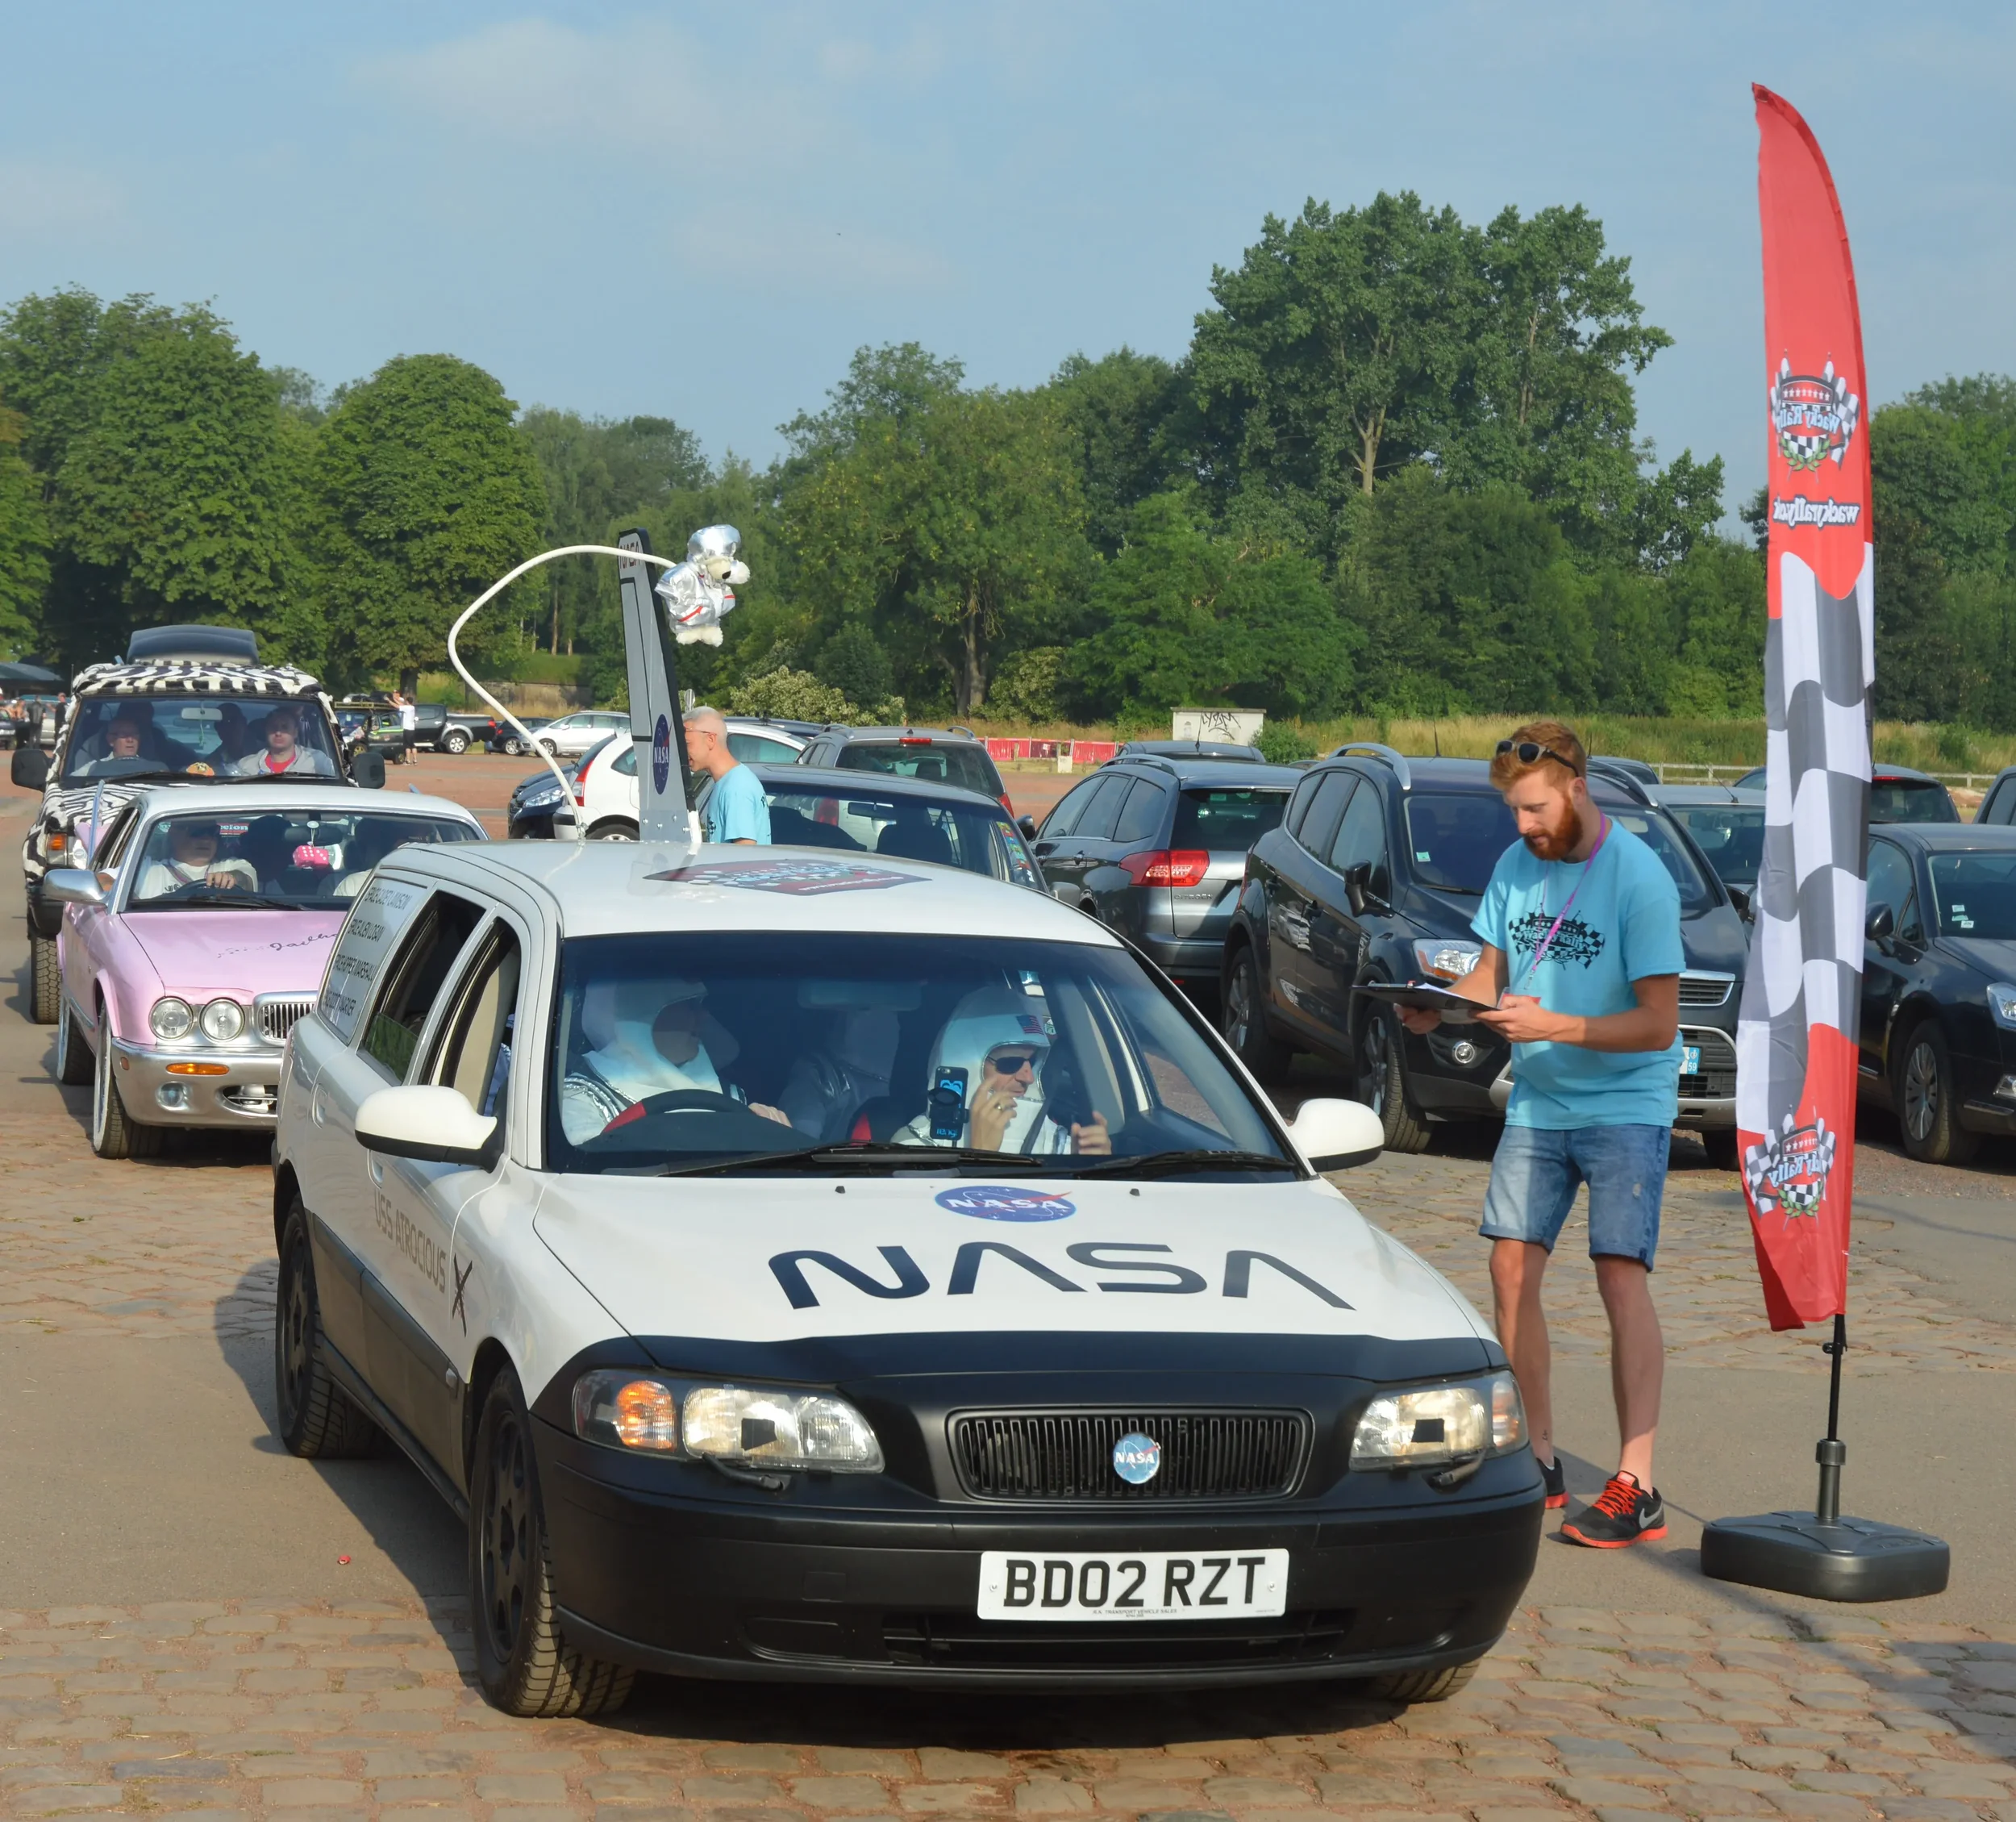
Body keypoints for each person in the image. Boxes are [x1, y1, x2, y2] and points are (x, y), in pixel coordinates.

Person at [1397, 720, 1681, 1549]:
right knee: (1508, 1265)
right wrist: (1438, 1001)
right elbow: (1490, 975)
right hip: (1539, 1102)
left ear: (1576, 788)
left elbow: (1659, 1025)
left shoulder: (1638, 878)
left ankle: (1637, 1482)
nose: (1522, 828)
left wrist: (1554, 1024)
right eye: (1514, 813)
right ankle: (1541, 1456)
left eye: (1533, 810)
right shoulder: (1516, 866)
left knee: (1618, 1274)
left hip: (1625, 1101)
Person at [560, 978, 789, 1143]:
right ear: (639, 1012)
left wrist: (773, 1137)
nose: (704, 1016)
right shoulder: (580, 1100)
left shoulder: (730, 1095)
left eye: (701, 1005)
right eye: (689, 1005)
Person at [895, 987, 1112, 1155]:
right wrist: (980, 1156)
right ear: (967, 1067)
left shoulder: (1058, 1144)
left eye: (1033, 1061)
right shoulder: (915, 1147)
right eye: (1010, 1064)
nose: (1027, 1077)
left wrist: (1089, 1168)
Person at [685, 705, 768, 844]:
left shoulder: (736, 787)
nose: (683, 751)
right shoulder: (729, 782)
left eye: (687, 743)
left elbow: (744, 855)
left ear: (710, 739)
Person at [135, 819, 259, 899]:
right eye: (197, 832)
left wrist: (232, 878)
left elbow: (245, 880)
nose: (206, 839)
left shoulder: (232, 865)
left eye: (212, 832)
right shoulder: (148, 869)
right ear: (174, 833)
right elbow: (115, 882)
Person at [232, 703, 333, 777]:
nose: (278, 732)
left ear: (295, 732)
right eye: (273, 727)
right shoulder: (246, 765)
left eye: (285, 727)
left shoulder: (317, 760)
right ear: (266, 731)